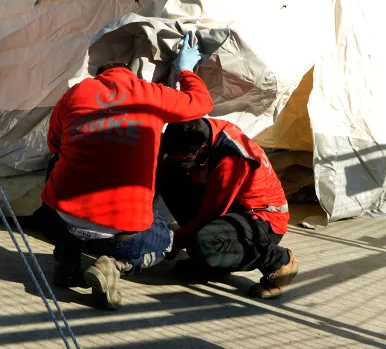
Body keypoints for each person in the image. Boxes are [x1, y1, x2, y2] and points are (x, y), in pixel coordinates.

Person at [34, 34, 213, 310]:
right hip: (121, 236)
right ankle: (115, 264)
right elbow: (201, 103)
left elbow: (54, 144)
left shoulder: (77, 92)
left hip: (59, 222)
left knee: (56, 160)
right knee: (165, 239)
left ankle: (67, 260)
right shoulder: (150, 95)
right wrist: (185, 70)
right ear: (129, 75)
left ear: (99, 76)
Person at [157, 117, 298, 299]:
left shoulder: (231, 160)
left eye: (187, 157)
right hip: (235, 208)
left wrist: (173, 241)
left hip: (264, 221)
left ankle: (278, 261)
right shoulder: (205, 129)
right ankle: (212, 263)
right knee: (170, 172)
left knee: (206, 242)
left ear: (202, 148)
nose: (184, 160)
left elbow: (209, 215)